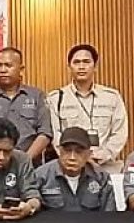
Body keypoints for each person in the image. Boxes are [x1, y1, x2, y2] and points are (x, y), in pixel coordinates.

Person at [47, 44, 128, 173]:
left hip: (105, 166)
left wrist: (102, 155)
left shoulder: (111, 97)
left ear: (95, 66)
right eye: (76, 62)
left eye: (86, 62)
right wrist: (76, 156)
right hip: (70, 165)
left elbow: (120, 132)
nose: (81, 66)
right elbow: (56, 135)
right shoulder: (56, 98)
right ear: (69, 67)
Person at [0, 47, 52, 163]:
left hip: (29, 164)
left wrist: (25, 160)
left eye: (8, 65)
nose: (3, 70)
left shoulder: (37, 95)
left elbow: (45, 133)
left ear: (21, 69)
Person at [35, 127, 115, 211]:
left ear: (89, 154)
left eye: (78, 152)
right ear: (59, 151)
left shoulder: (101, 178)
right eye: (67, 151)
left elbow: (109, 215)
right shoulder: (41, 175)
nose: (72, 157)